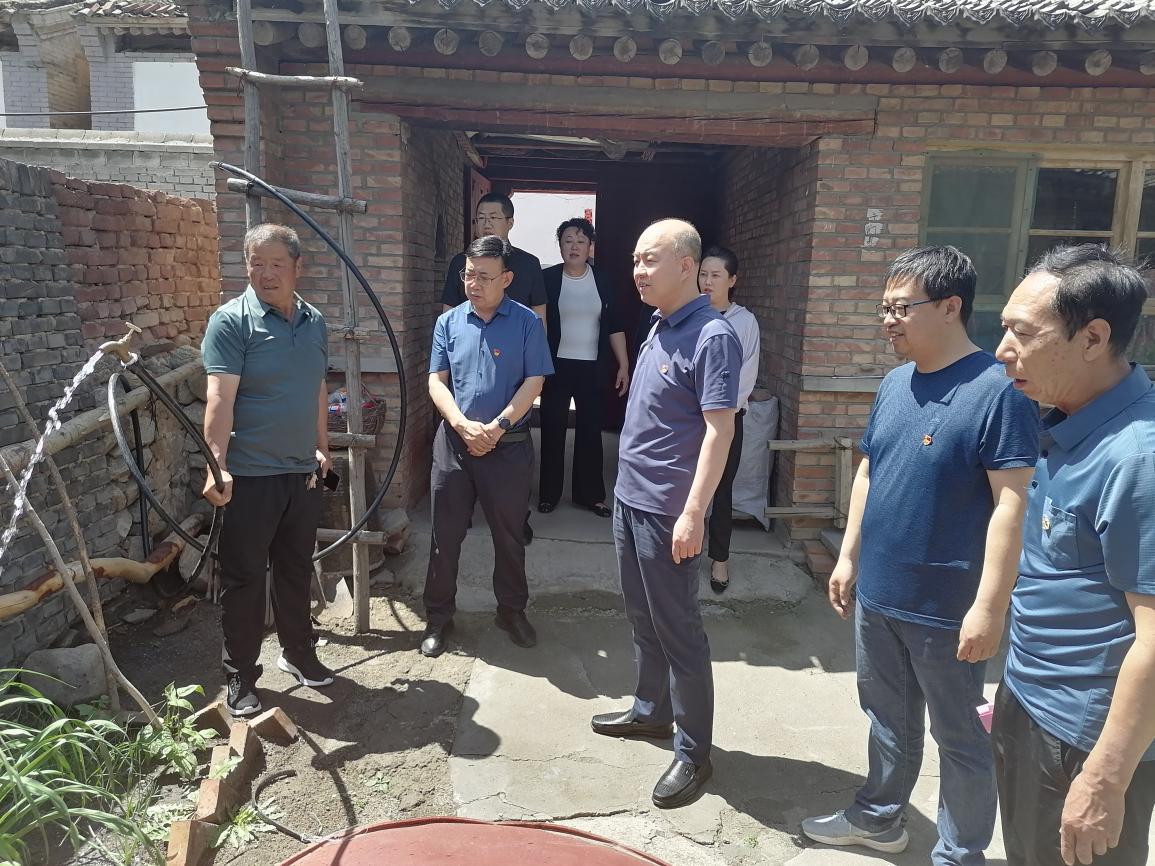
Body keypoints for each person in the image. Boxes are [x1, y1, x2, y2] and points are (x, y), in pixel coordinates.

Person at [802, 246, 1039, 864]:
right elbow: (869, 472)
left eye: (901, 308)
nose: (889, 321)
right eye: (885, 308)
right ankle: (879, 818)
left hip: (946, 607)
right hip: (879, 592)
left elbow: (1011, 503)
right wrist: (848, 557)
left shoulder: (999, 392)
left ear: (951, 306)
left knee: (960, 736)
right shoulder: (894, 383)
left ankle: (960, 854)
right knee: (887, 717)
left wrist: (990, 607)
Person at [991, 245, 1155, 866]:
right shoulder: (1067, 421)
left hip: (1082, 737)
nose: (1003, 350)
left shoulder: (1136, 458)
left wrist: (1104, 779)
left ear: (1093, 338)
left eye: (1023, 333)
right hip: (1030, 700)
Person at [590, 219, 741, 809]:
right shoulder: (657, 323)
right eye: (635, 259)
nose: (638, 270)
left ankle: (694, 753)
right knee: (640, 615)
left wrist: (694, 512)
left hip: (668, 510)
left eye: (649, 259)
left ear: (686, 266)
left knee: (680, 631)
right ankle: (651, 711)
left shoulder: (713, 336)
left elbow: (720, 430)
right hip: (630, 499)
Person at [201, 223, 335, 718]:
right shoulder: (231, 322)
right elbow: (220, 397)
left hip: (301, 473)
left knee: (296, 569)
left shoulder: (314, 322)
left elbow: (317, 388)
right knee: (244, 580)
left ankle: (298, 653)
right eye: (257, 264)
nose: (266, 273)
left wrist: (322, 448)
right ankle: (240, 674)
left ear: (298, 268)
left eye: (277, 264)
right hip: (250, 475)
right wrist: (216, 464)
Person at [421, 235, 554, 658]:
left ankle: (511, 611)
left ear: (507, 278)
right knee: (444, 536)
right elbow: (436, 381)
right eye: (468, 275)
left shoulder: (526, 323)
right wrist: (461, 425)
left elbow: (535, 381)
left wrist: (497, 428)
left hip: (508, 447)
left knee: (509, 536)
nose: (473, 284)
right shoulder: (449, 323)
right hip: (454, 446)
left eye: (484, 276)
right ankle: (438, 617)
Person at [441, 192, 545, 545]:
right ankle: (465, 511)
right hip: (469, 364)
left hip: (514, 363)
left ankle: (516, 519)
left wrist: (536, 363)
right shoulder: (461, 264)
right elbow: (448, 314)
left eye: (493, 217)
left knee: (511, 470)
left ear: (510, 222)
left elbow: (540, 315)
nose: (486, 223)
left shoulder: (528, 264)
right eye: (480, 217)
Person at [538, 218, 629, 517]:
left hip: (593, 367)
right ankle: (549, 494)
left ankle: (590, 495)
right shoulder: (548, 278)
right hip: (555, 366)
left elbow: (614, 325)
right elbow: (536, 323)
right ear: (560, 245)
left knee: (590, 431)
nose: (574, 246)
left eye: (580, 241)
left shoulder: (602, 280)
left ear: (590, 246)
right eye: (568, 240)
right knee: (552, 428)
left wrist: (623, 364)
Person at [697, 245, 760, 593]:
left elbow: (747, 374)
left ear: (732, 280)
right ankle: (682, 550)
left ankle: (719, 558)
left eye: (716, 275)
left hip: (727, 419)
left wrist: (722, 414)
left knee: (721, 489)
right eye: (703, 274)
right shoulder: (690, 315)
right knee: (684, 486)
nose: (707, 281)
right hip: (689, 418)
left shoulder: (744, 322)